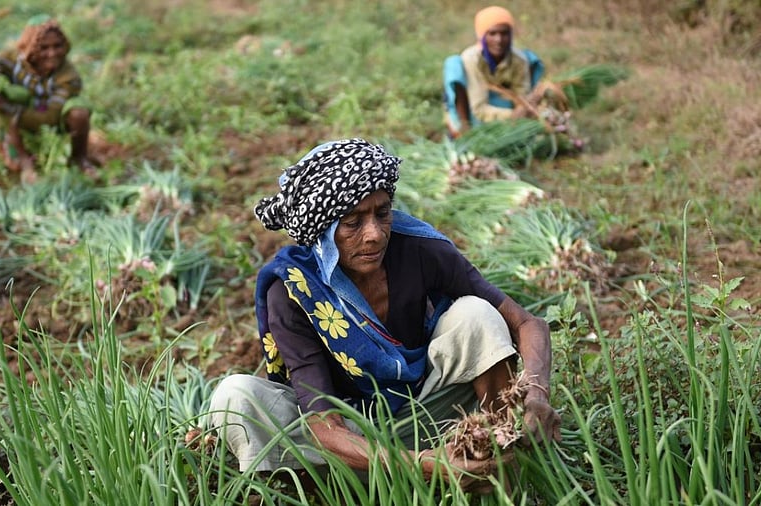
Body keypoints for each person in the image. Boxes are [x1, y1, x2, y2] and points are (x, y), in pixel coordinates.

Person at [209, 138, 560, 490]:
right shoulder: (293, 291)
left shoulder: (420, 250)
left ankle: (500, 454)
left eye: (382, 212)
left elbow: (527, 323)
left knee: (476, 314)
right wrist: (423, 464)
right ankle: (321, 486)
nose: (375, 234)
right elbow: (321, 425)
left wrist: (535, 394)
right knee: (235, 396)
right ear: (323, 231)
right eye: (352, 222)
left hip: (425, 407)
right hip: (345, 439)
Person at [0, 15, 95, 179]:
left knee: (79, 113)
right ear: (31, 47)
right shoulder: (11, 60)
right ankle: (22, 157)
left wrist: (7, 106)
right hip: (20, 113)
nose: (52, 53)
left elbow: (50, 116)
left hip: (50, 115)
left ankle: (79, 158)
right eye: (43, 48)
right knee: (14, 96)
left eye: (57, 46)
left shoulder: (69, 77)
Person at [443, 6, 545, 138]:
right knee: (453, 65)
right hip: (474, 106)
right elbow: (478, 108)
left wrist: (526, 108)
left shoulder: (519, 60)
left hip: (503, 105)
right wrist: (513, 115)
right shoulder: (471, 59)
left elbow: (521, 97)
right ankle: (462, 129)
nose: (499, 40)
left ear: (511, 35)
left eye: (504, 33)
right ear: (482, 36)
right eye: (492, 34)